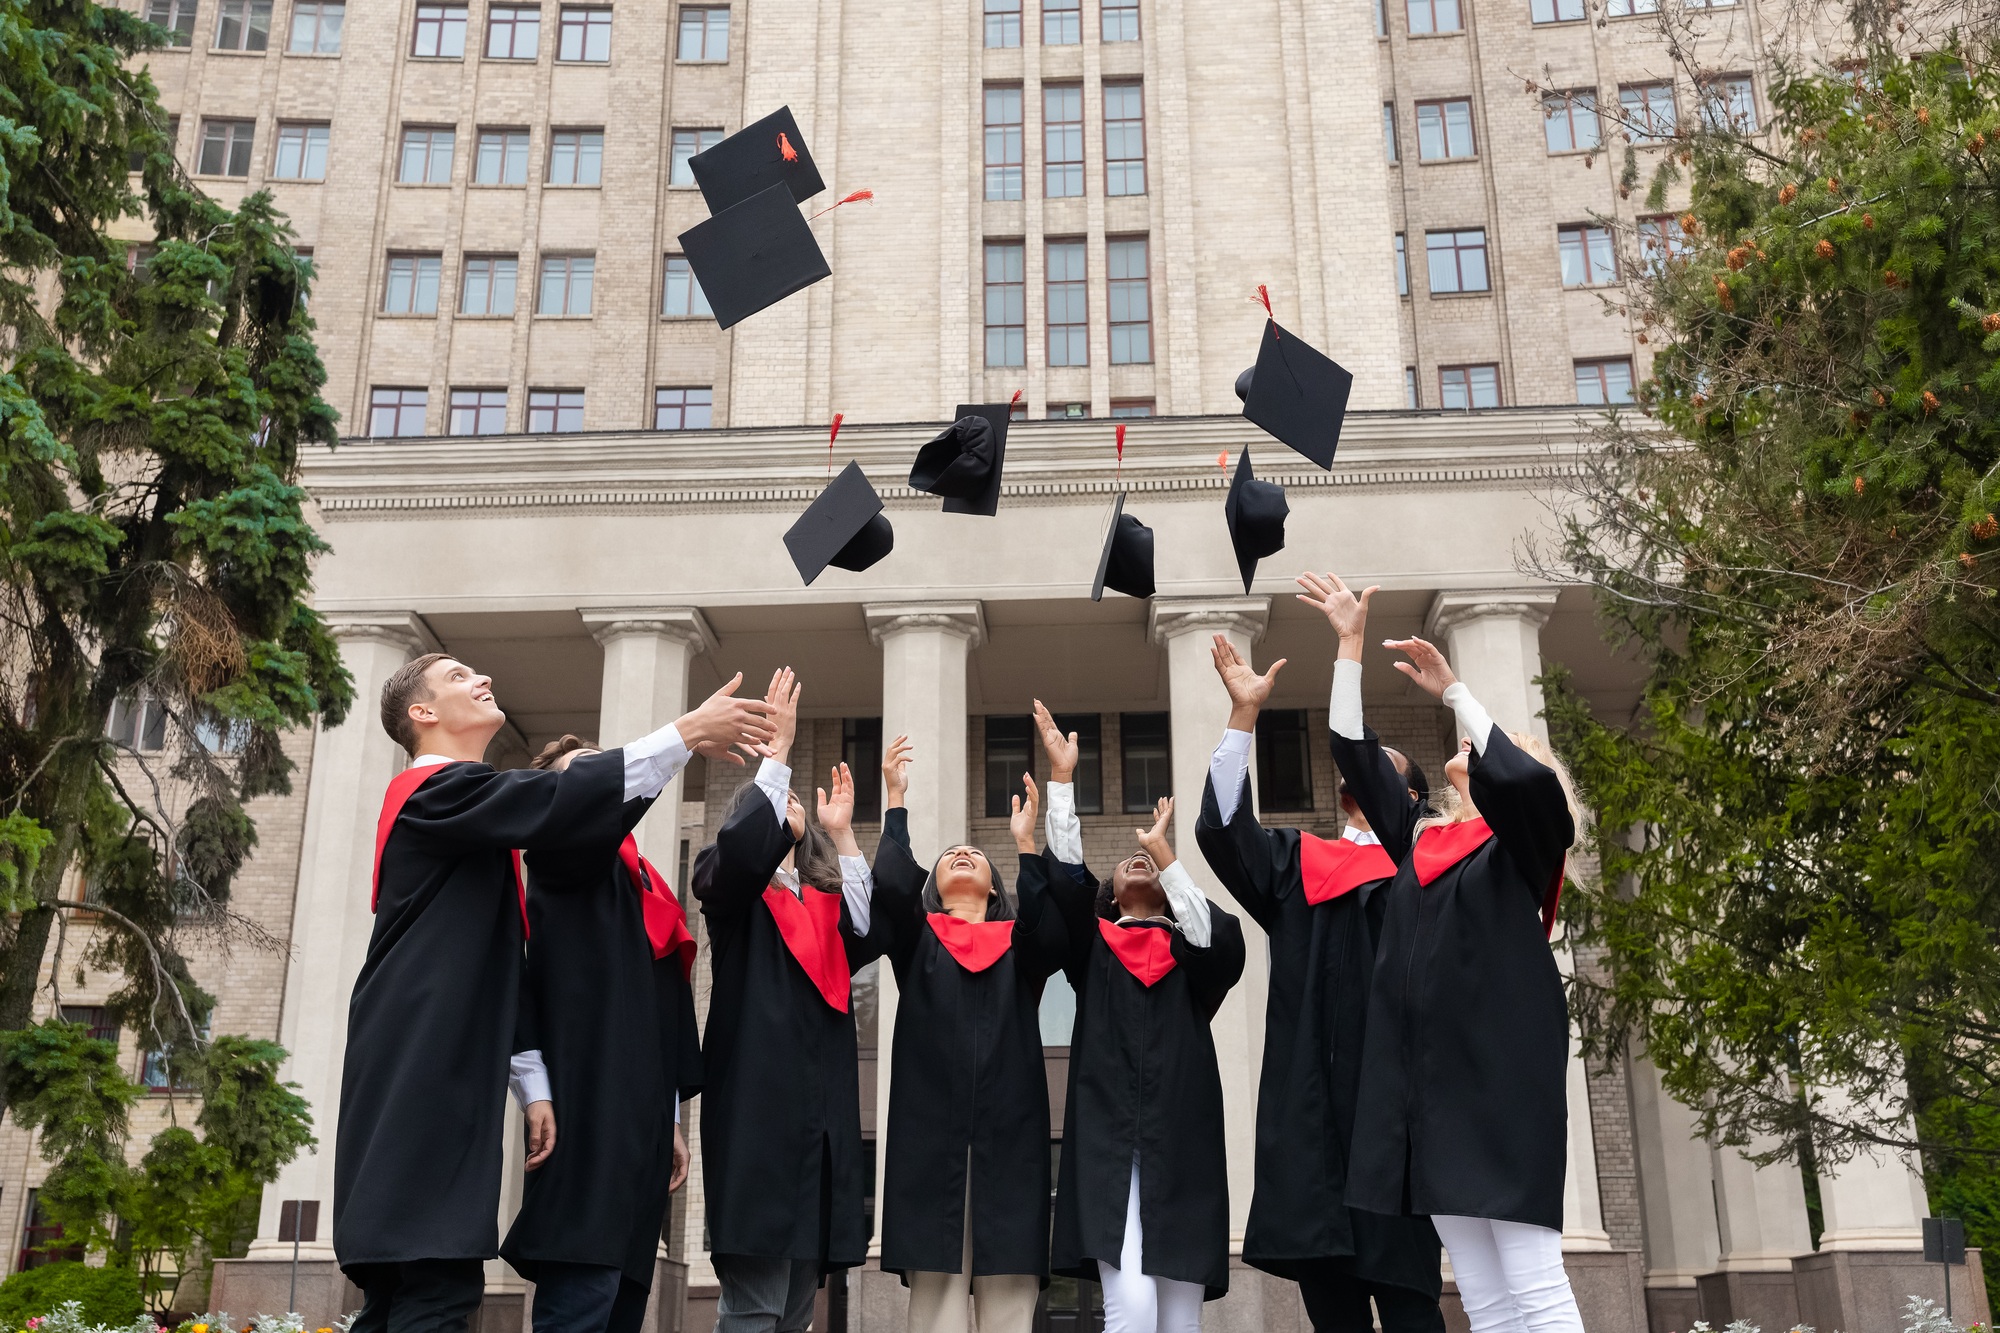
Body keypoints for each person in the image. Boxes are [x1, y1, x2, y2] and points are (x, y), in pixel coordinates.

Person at [338, 654, 771, 1333]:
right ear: (421, 713)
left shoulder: (470, 819)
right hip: (419, 1060)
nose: (483, 677)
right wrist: (684, 732)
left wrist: (528, 1082)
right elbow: (560, 805)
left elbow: (507, 969)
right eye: (457, 676)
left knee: (417, 1286)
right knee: (433, 1278)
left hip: (435, 1060)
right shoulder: (436, 791)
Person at [1299, 571, 1586, 1333]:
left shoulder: (1522, 844)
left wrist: (1457, 689)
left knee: (1533, 1280)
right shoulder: (1425, 843)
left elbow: (1524, 783)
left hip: (1498, 1081)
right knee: (1484, 1293)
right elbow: (1358, 758)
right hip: (1427, 1091)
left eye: (1491, 749)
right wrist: (1349, 647)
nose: (1473, 752)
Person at [1191, 634, 1446, 1333]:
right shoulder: (1300, 861)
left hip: (1395, 1122)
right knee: (1332, 1314)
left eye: (1374, 776)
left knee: (1412, 1306)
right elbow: (1222, 831)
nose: (1353, 788)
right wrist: (1243, 716)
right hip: (1311, 1123)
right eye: (1348, 782)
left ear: (1410, 798)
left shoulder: (1428, 867)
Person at [1032, 704, 1247, 1333]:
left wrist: (1169, 857)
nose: (1139, 862)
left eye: (1148, 863)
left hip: (1183, 1139)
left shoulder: (1193, 953)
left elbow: (1222, 943)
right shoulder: (1094, 948)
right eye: (1130, 862)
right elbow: (1069, 884)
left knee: (1179, 1318)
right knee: (1131, 1306)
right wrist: (1064, 784)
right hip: (1107, 1141)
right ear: (1110, 898)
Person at [691, 668, 884, 1333]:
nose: (790, 809)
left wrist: (842, 833)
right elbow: (742, 853)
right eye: (776, 806)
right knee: (754, 1308)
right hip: (757, 1117)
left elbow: (868, 928)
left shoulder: (818, 906)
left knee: (798, 1310)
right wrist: (775, 761)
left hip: (820, 1129)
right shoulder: (730, 890)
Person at [500, 735, 704, 1333]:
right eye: (582, 776)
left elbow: (658, 1012)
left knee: (622, 1297)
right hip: (583, 1105)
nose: (599, 781)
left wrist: (666, 1117)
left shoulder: (642, 884)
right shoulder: (557, 850)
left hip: (639, 1127)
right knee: (582, 1287)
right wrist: (533, 1086)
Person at [869, 737, 1067, 1333]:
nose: (961, 854)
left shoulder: (1018, 948)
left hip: (1011, 1132)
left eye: (974, 855)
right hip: (930, 1136)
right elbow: (894, 888)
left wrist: (1027, 844)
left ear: (995, 889)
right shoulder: (919, 942)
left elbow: (1049, 932)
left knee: (1009, 1302)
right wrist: (895, 801)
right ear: (935, 888)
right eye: (950, 853)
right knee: (937, 1309)